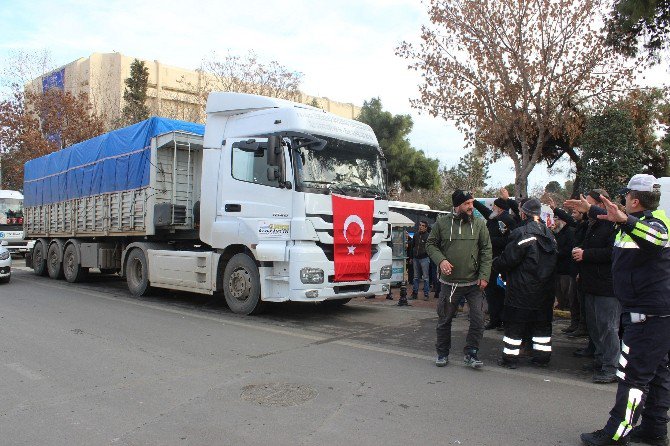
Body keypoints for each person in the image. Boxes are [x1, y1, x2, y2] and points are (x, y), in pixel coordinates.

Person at [576, 174, 670, 446]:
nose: (624, 200)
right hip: (650, 315)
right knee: (658, 374)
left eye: (626, 196)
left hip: (648, 317)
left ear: (635, 200)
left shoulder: (653, 225)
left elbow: (652, 235)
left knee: (634, 377)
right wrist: (593, 210)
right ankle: (654, 430)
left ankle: (615, 433)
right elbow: (620, 220)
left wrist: (625, 220)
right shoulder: (639, 222)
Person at [426, 190, 492, 369]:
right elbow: (430, 244)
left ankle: (471, 353)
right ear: (457, 205)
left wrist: (484, 275)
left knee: (478, 320)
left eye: (472, 203)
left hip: (474, 285)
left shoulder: (479, 224)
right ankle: (442, 353)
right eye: (467, 204)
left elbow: (486, 250)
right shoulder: (442, 223)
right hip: (450, 284)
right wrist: (441, 260)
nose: (471, 207)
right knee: (444, 319)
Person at [493, 198, 558, 369]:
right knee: (542, 327)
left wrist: (495, 264)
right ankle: (542, 358)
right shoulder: (550, 235)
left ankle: (510, 359)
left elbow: (508, 259)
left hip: (522, 290)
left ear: (523, 213)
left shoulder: (521, 233)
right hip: (545, 291)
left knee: (514, 326)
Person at [566, 190, 620, 384]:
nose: (585, 208)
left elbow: (612, 253)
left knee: (608, 328)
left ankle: (611, 367)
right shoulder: (593, 225)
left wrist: (585, 254)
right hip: (591, 285)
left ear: (603, 206)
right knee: (595, 327)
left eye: (589, 205)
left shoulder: (613, 225)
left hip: (607, 287)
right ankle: (600, 359)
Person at [473, 189, 518, 330]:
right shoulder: (494, 217)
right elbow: (485, 211)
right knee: (492, 292)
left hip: (501, 261)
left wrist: (489, 240)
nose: (491, 209)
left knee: (501, 291)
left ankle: (503, 320)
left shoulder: (507, 220)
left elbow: (509, 241)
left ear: (499, 208)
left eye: (494, 207)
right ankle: (495, 319)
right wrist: (473, 201)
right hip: (491, 260)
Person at [410, 220, 431, 300]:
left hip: (424, 259)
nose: (420, 227)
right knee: (415, 277)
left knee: (425, 277)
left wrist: (427, 254)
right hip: (416, 259)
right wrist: (411, 257)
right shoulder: (415, 235)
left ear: (426, 228)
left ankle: (426, 294)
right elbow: (413, 246)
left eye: (423, 225)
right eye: (420, 225)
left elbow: (430, 248)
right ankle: (414, 294)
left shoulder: (428, 236)